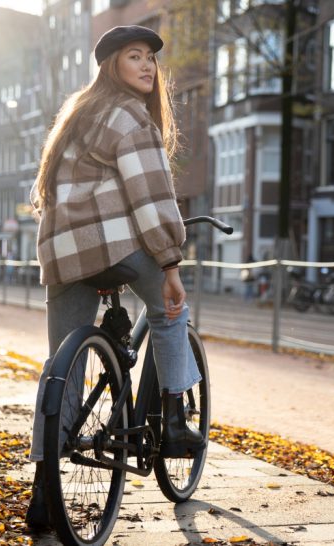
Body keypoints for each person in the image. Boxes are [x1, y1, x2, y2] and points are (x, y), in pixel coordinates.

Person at [23, 25, 203, 531]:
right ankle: (172, 423)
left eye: (150, 59)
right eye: (134, 57)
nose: (147, 66)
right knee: (170, 311)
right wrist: (169, 263)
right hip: (113, 249)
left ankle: (43, 491)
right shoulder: (130, 118)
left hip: (60, 256)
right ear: (112, 67)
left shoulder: (75, 117)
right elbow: (150, 197)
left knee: (61, 369)